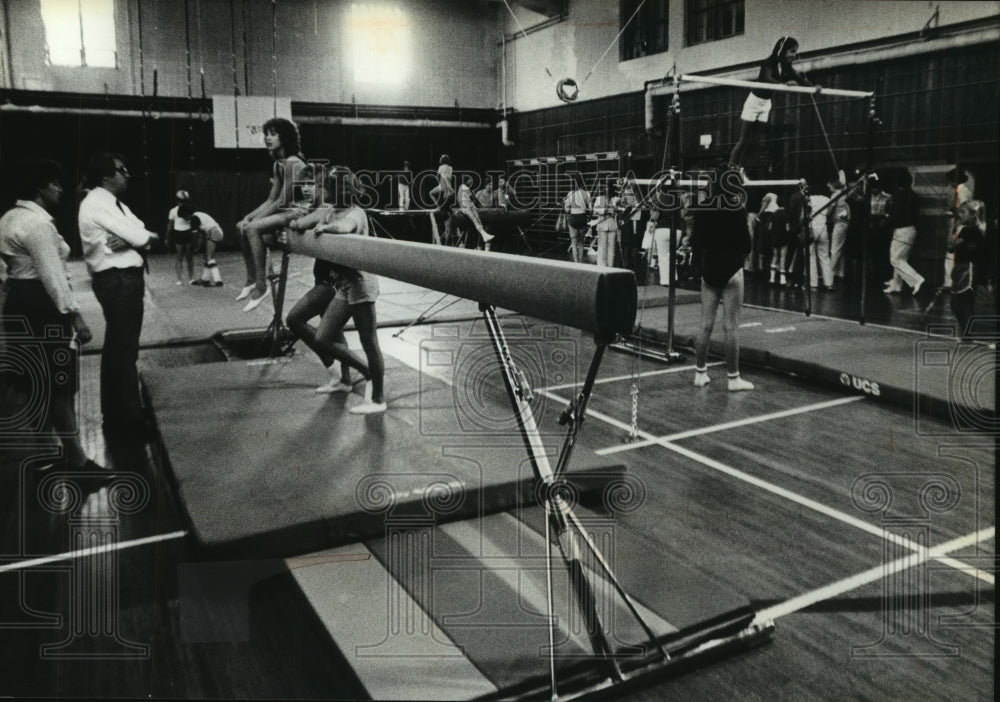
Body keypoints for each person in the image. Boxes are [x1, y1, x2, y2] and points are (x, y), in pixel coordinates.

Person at [0, 158, 107, 476]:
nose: (61, 189)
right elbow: (53, 277)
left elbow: (6, 273)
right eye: (55, 183)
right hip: (42, 305)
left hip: (19, 302)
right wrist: (75, 316)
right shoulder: (37, 225)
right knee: (59, 385)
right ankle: (77, 460)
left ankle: (48, 452)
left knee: (35, 383)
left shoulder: (9, 218)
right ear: (40, 187)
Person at [288, 166, 387, 414]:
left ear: (338, 190)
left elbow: (345, 228)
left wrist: (326, 228)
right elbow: (312, 228)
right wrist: (300, 226)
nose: (320, 191)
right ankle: (349, 378)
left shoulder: (356, 212)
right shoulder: (331, 211)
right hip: (344, 285)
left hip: (361, 284)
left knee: (369, 342)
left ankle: (377, 398)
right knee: (322, 338)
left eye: (324, 187)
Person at [77, 152, 158, 437]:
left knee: (119, 350)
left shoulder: (112, 203)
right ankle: (126, 419)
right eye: (121, 170)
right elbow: (143, 237)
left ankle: (118, 413)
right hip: (119, 281)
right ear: (106, 176)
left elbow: (148, 234)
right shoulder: (99, 203)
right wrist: (138, 239)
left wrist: (139, 238)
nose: (127, 174)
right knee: (123, 351)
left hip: (121, 280)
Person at [687, 166, 754, 391]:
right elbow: (747, 243)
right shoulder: (736, 208)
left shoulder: (704, 207)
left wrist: (701, 263)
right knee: (731, 327)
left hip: (710, 269)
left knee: (705, 325)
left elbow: (695, 241)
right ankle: (733, 378)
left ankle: (700, 373)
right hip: (732, 269)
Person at [236, 117, 310, 312]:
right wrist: (249, 216)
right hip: (287, 210)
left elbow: (282, 202)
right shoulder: (278, 164)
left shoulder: (293, 162)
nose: (268, 138)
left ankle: (261, 286)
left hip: (302, 211)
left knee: (252, 228)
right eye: (266, 133)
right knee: (242, 225)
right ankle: (251, 279)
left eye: (273, 133)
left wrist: (255, 222)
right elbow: (271, 199)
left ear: (284, 137)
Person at [729, 37, 812, 170]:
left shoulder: (786, 66)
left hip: (766, 104)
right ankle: (731, 165)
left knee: (755, 141)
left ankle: (740, 167)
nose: (794, 55)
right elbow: (767, 79)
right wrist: (784, 84)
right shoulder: (768, 62)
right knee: (745, 139)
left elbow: (798, 78)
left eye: (795, 52)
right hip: (754, 102)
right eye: (791, 51)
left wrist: (813, 87)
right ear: (783, 50)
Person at [948, 199, 986, 339]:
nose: (960, 216)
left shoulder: (969, 231)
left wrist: (952, 228)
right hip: (960, 268)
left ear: (973, 214)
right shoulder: (970, 231)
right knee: (955, 303)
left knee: (963, 302)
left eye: (963, 213)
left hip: (968, 268)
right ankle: (967, 332)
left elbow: (952, 247)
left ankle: (968, 333)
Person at [884, 171, 924, 295]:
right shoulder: (914, 196)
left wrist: (887, 219)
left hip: (902, 230)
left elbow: (896, 214)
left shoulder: (898, 196)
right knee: (902, 259)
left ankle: (917, 279)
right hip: (912, 230)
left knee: (895, 259)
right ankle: (897, 285)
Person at [182, 206, 225, 287]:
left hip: (214, 232)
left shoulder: (194, 219)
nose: (184, 219)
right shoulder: (197, 215)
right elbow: (201, 235)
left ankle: (218, 281)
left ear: (187, 214)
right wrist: (198, 246)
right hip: (215, 232)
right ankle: (205, 280)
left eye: (184, 217)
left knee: (209, 257)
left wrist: (194, 248)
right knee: (207, 257)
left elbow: (196, 236)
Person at [165, 189, 196, 285]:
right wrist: (167, 238)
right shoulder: (173, 211)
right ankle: (179, 279)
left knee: (189, 257)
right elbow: (169, 226)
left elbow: (193, 221)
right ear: (177, 200)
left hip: (188, 233)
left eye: (183, 200)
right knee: (179, 257)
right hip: (178, 234)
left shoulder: (189, 209)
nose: (181, 202)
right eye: (180, 200)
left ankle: (191, 278)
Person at [827, 177, 851, 286]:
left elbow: (830, 208)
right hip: (844, 223)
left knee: (835, 248)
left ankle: (830, 272)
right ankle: (840, 272)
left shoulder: (835, 195)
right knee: (840, 248)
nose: (829, 189)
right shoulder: (843, 193)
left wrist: (826, 215)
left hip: (839, 222)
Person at [457, 175, 493, 246]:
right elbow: (474, 199)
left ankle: (485, 236)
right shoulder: (464, 188)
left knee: (478, 219)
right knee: (474, 219)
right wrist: (462, 207)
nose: (471, 181)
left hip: (469, 207)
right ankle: (484, 235)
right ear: (466, 180)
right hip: (466, 208)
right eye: (469, 180)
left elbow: (468, 200)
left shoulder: (463, 187)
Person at [563, 176, 591, 263]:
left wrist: (565, 204)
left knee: (574, 243)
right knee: (581, 243)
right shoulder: (587, 193)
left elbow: (567, 210)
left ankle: (576, 262)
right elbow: (590, 209)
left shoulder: (570, 194)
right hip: (582, 218)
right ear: (582, 183)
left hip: (573, 219)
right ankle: (581, 261)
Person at [592, 182, 618, 267]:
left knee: (611, 248)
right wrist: (603, 211)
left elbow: (619, 211)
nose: (605, 189)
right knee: (602, 248)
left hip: (612, 225)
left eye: (607, 188)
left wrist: (615, 209)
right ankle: (601, 267)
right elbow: (594, 211)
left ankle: (610, 267)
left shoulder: (615, 199)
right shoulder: (599, 198)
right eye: (604, 187)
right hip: (602, 224)